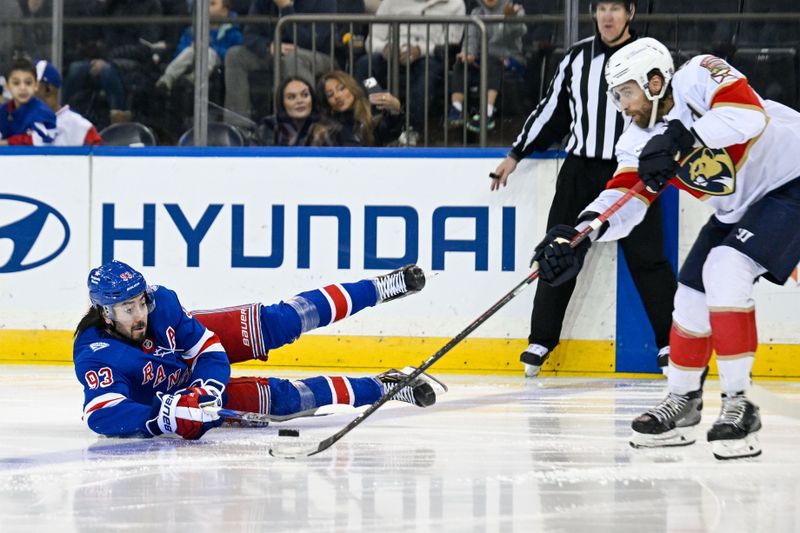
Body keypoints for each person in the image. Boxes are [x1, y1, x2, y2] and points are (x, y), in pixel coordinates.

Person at [532, 37, 800, 459]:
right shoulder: (636, 139)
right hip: (737, 208)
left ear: (655, 81)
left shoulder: (699, 73)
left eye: (626, 93)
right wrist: (580, 233)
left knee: (725, 269)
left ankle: (739, 406)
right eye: (616, 96)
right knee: (690, 296)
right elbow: (624, 201)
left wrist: (680, 134)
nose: (622, 105)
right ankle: (683, 401)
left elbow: (746, 114)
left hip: (791, 182)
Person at [490, 0, 676, 378]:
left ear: (631, 13)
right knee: (559, 250)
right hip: (579, 170)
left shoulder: (648, 57)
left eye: (616, 8)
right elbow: (551, 111)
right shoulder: (576, 58)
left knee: (649, 259)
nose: (607, 16)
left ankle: (671, 342)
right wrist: (516, 153)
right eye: (602, 7)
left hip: (633, 169)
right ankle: (541, 339)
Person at [74, 260, 439, 440]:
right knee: (284, 399)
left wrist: (207, 388)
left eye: (140, 303)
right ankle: (386, 385)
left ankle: (379, 287)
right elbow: (102, 414)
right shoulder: (96, 352)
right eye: (127, 309)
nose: (139, 314)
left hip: (199, 371)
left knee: (283, 320)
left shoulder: (162, 303)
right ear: (105, 312)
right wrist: (161, 416)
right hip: (178, 397)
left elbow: (209, 349)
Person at [353, 0, 465, 144]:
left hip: (428, 57)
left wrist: (420, 50)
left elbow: (451, 43)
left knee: (427, 74)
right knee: (364, 66)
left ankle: (411, 128)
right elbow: (373, 40)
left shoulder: (455, 5)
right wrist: (385, 49)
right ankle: (371, 119)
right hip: (391, 55)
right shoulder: (390, 3)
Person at [223, 0, 336, 125]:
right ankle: (238, 128)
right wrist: (268, 46)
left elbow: (313, 41)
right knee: (235, 55)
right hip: (276, 53)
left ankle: (305, 127)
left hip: (318, 55)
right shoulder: (262, 3)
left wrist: (286, 8)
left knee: (292, 58)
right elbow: (249, 35)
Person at [447, 0, 526, 133]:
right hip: (484, 59)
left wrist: (510, 20)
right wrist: (469, 53)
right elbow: (471, 38)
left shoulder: (514, 10)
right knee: (462, 62)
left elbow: (517, 33)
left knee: (493, 60)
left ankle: (486, 113)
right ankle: (456, 110)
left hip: (510, 59)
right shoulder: (476, 13)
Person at [156, 0, 243, 93]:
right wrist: (193, 47)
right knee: (190, 50)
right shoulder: (191, 31)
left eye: (212, 4)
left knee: (208, 52)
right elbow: (178, 53)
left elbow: (233, 55)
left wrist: (209, 46)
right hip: (190, 63)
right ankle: (167, 79)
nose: (206, 8)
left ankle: (194, 79)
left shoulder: (233, 33)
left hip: (217, 66)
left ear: (224, 11)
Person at [307, 70, 403, 147]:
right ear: (327, 102)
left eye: (341, 88)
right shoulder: (323, 128)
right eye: (330, 95)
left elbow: (392, 132)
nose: (337, 96)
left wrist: (395, 109)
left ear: (352, 88)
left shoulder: (372, 118)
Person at [34, 60, 103, 146]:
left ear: (49, 88)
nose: (23, 88)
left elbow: (98, 157)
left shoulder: (81, 127)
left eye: (30, 83)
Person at [0, 57, 56, 145]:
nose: (23, 88)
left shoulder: (42, 112)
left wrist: (8, 142)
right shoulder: (3, 111)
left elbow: (43, 139)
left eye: (28, 83)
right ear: (7, 86)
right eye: (16, 83)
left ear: (36, 85)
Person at [256, 76, 319, 146]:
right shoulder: (269, 127)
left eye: (305, 95)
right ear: (282, 102)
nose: (300, 101)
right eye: (291, 97)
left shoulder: (325, 128)